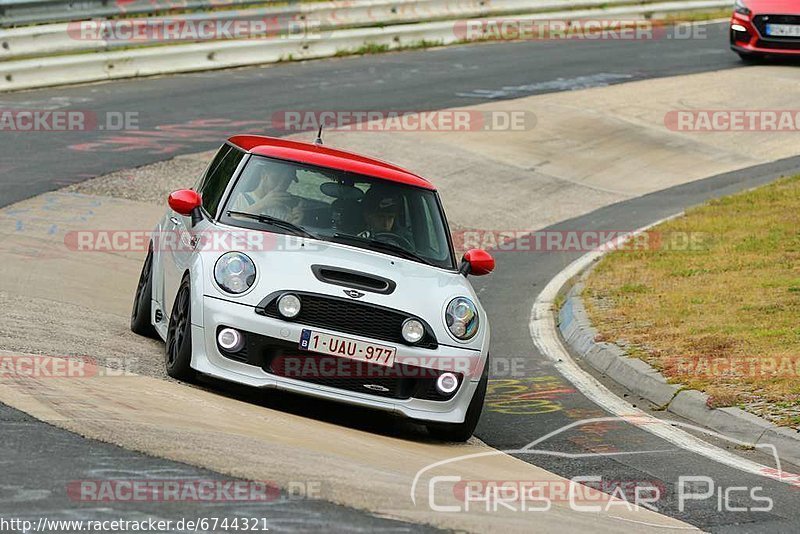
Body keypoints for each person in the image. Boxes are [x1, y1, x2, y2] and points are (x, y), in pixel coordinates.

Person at [229, 163, 304, 224]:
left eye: (286, 182)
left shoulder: (286, 211)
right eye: (275, 179)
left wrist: (293, 224)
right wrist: (263, 204)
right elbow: (229, 222)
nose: (280, 186)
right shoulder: (238, 198)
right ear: (263, 174)